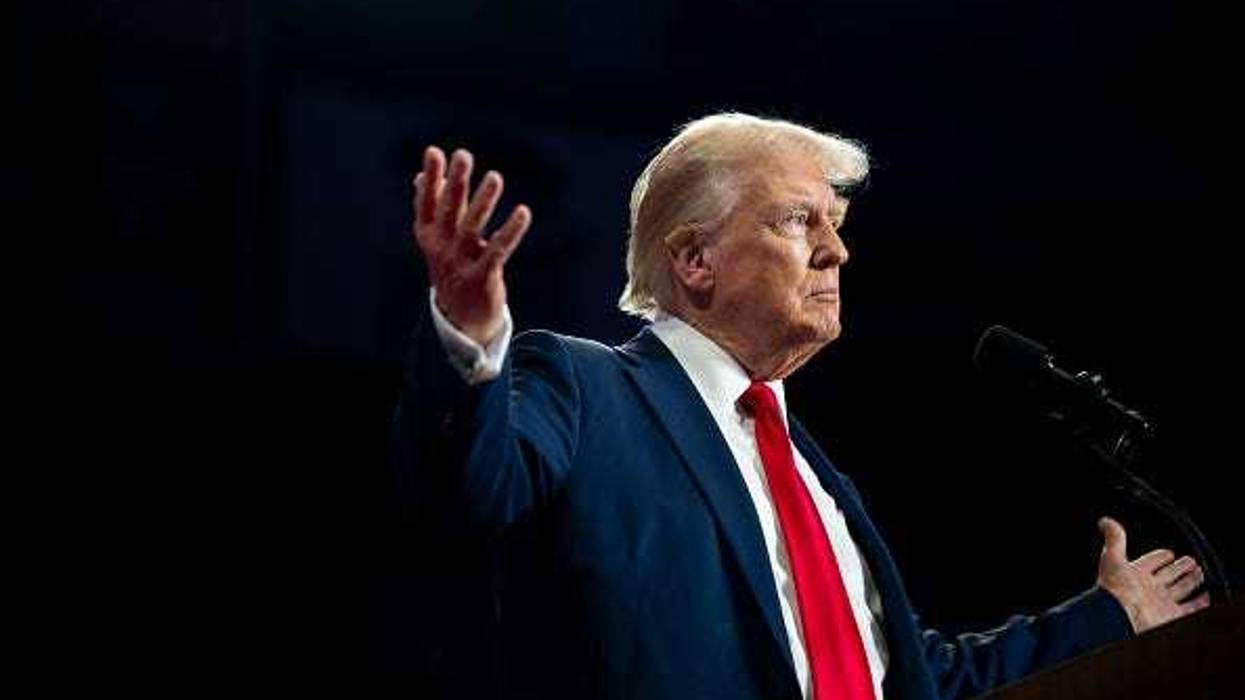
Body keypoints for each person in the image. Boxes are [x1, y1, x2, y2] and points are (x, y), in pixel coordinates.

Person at [391, 113, 1209, 700]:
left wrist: (1108, 619)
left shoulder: (818, 483)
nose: (836, 248)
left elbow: (906, 681)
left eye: (837, 222)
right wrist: (469, 337)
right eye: (797, 220)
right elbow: (468, 489)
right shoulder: (584, 388)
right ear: (695, 259)